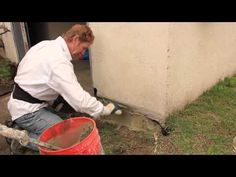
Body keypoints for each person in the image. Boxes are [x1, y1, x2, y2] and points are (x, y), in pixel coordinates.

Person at [7, 24, 115, 151]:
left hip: (31, 101)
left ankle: (29, 127)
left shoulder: (46, 45)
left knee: (69, 124)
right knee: (63, 141)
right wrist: (103, 110)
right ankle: (19, 138)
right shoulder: (58, 61)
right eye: (84, 48)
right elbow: (79, 100)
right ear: (75, 39)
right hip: (27, 110)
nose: (83, 53)